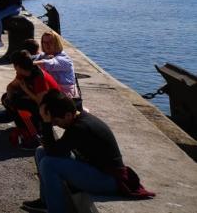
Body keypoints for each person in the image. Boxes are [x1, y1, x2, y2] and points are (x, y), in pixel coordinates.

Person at [23, 90, 153, 213]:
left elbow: (53, 152)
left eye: (56, 121)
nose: (55, 125)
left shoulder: (81, 128)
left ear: (68, 115)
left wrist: (46, 124)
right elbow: (55, 150)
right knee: (41, 152)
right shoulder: (77, 120)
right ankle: (46, 202)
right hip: (94, 169)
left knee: (48, 163)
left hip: (109, 180)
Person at [0, 49, 60, 144]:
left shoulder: (38, 77)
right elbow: (11, 87)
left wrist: (26, 91)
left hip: (52, 109)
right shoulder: (23, 72)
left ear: (17, 66)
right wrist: (8, 100)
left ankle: (33, 134)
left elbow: (41, 102)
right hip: (38, 102)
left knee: (19, 103)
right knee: (9, 99)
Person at [35, 32, 79, 103]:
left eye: (50, 42)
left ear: (57, 43)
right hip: (51, 92)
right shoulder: (44, 55)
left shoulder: (64, 59)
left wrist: (31, 63)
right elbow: (34, 58)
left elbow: (48, 63)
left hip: (65, 97)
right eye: (44, 42)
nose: (47, 45)